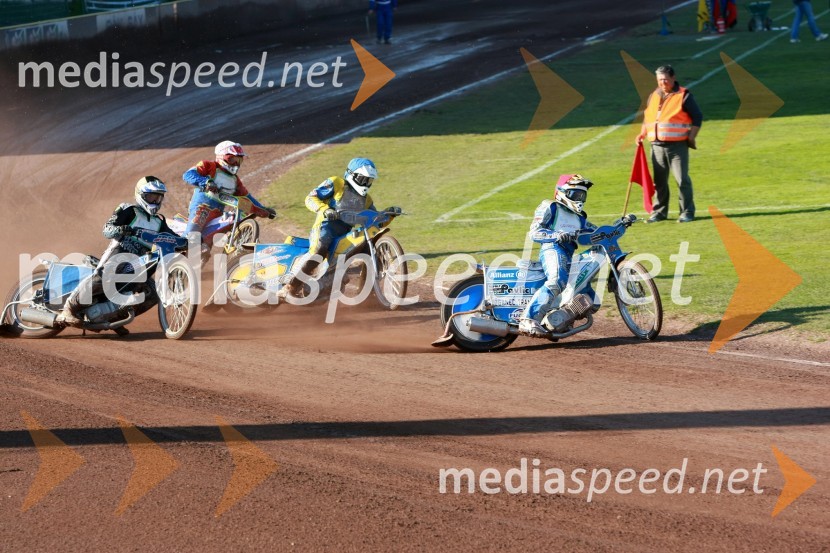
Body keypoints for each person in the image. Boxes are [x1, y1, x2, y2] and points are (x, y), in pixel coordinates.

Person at [56, 177, 178, 327]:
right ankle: (68, 309)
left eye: (157, 197)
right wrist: (119, 229)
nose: (154, 201)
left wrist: (193, 241)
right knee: (105, 276)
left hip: (140, 264)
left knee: (153, 293)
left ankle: (114, 318)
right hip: (118, 254)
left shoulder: (159, 222)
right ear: (140, 195)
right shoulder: (128, 209)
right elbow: (107, 229)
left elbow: (173, 237)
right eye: (150, 196)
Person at [278, 157, 399, 298]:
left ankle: (367, 293)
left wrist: (388, 215)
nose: (366, 184)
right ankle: (290, 287)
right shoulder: (336, 183)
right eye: (363, 179)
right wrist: (325, 210)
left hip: (345, 237)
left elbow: (373, 222)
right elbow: (310, 198)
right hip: (324, 228)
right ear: (352, 175)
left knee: (369, 247)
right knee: (320, 249)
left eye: (369, 180)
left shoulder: (367, 200)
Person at [518, 175, 598, 337]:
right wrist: (556, 235)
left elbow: (594, 232)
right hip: (552, 248)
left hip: (569, 254)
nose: (579, 199)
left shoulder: (580, 217)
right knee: (557, 281)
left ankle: (559, 319)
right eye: (575, 195)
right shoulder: (551, 206)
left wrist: (618, 225)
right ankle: (528, 319)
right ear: (562, 193)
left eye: (582, 195)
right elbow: (534, 232)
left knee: (590, 297)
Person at [182, 141, 274, 261]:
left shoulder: (235, 181)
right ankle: (179, 248)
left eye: (239, 160)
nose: (236, 163)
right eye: (232, 159)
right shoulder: (209, 166)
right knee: (195, 229)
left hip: (217, 214)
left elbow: (247, 197)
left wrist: (263, 209)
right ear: (222, 157)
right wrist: (205, 182)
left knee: (208, 245)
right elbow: (188, 174)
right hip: (201, 207)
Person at [636, 65, 703, 224]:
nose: (663, 82)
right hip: (656, 146)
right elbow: (648, 117)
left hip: (677, 146)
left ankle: (687, 212)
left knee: (681, 180)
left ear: (673, 78)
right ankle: (659, 212)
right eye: (660, 79)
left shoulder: (684, 95)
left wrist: (692, 137)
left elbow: (697, 116)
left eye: (665, 79)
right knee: (659, 181)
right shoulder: (653, 95)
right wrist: (642, 133)